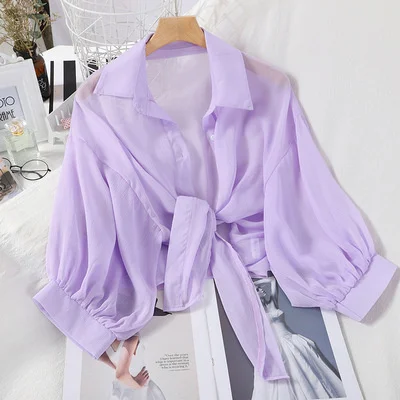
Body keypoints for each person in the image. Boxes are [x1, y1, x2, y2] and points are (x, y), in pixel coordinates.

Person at [252, 276, 346, 400]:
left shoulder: (272, 303)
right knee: (291, 373)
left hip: (291, 340)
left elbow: (272, 280)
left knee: (308, 371)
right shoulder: (257, 313)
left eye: (260, 288)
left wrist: (253, 284)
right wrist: (252, 288)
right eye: (258, 290)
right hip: (278, 345)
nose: (262, 290)